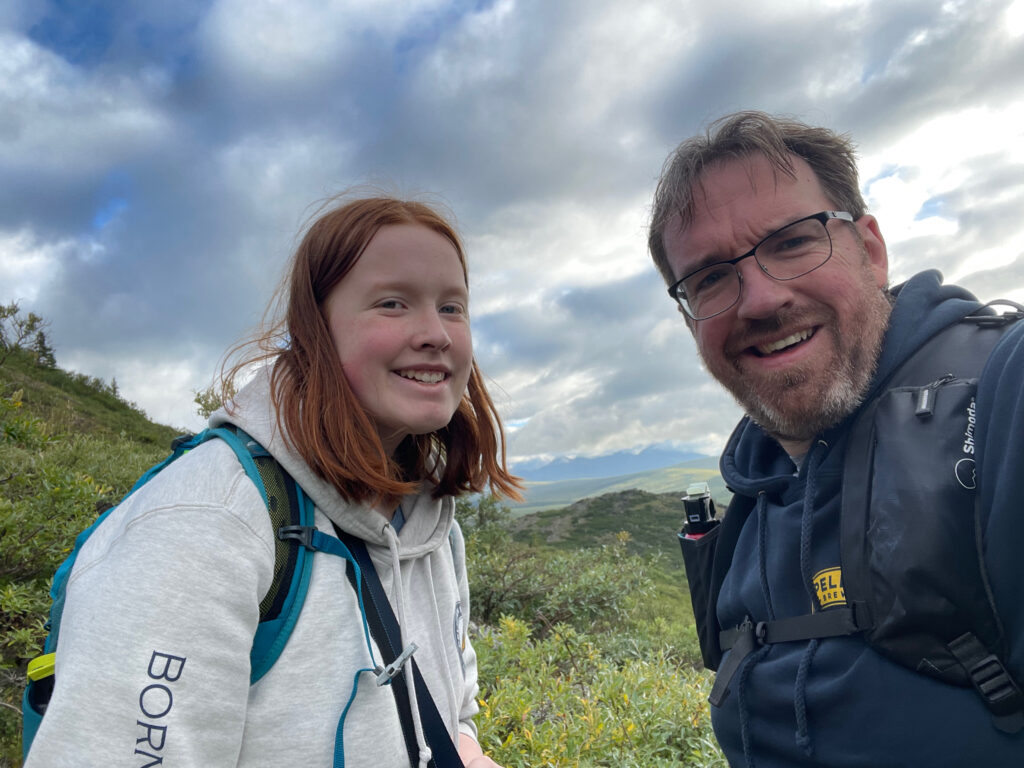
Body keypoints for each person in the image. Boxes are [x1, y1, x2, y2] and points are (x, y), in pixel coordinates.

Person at [24, 196, 521, 768]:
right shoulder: (204, 524)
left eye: (452, 307)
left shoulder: (428, 518)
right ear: (315, 329)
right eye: (392, 303)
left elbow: (452, 717)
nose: (436, 333)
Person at [648, 112, 1024, 767]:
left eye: (793, 241)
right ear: (689, 322)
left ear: (870, 248)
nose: (759, 300)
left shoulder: (1000, 397)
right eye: (710, 277)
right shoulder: (751, 493)